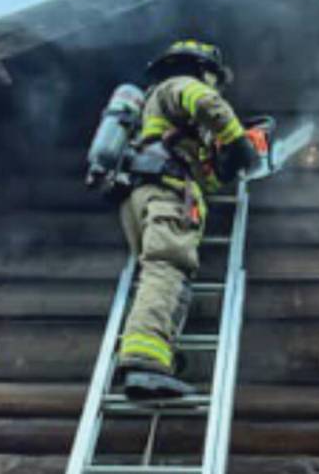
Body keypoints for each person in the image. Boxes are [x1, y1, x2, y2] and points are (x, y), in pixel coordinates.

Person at [117, 40, 259, 400]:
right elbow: (207, 103)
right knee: (166, 269)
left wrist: (223, 168)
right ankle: (143, 362)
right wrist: (238, 142)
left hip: (143, 198)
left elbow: (204, 178)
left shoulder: (155, 113)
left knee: (161, 275)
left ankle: (156, 354)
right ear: (202, 70)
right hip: (166, 196)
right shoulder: (179, 86)